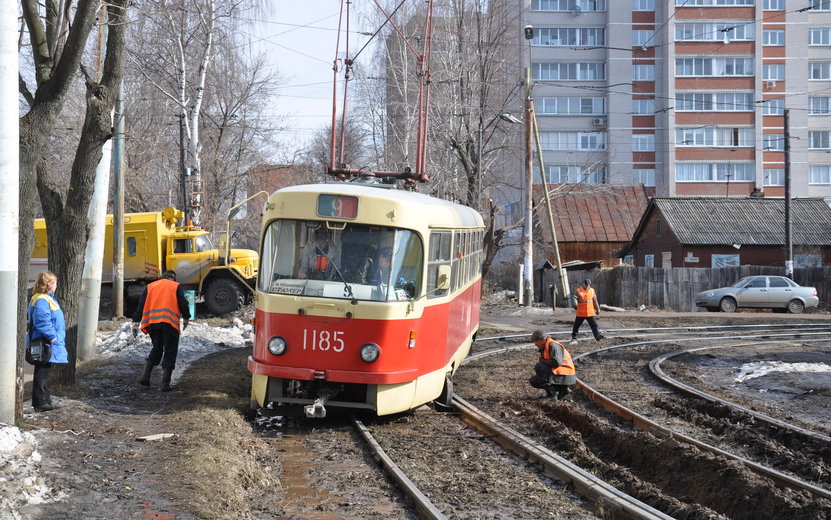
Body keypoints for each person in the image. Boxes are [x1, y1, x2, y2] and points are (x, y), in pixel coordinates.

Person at [132, 270, 190, 391]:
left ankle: (145, 377)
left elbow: (140, 305)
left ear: (162, 277)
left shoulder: (150, 286)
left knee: (157, 348)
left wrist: (136, 322)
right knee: (170, 350)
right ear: (173, 278)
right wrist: (186, 317)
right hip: (169, 324)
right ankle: (164, 384)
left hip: (153, 323)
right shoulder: (176, 286)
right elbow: (183, 303)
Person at [27, 271, 68, 412]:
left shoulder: (43, 298)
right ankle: (41, 403)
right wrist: (52, 337)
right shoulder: (42, 300)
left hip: (46, 341)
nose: (56, 285)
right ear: (49, 284)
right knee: (42, 372)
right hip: (45, 342)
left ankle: (43, 400)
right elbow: (42, 321)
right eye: (54, 283)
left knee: (43, 371)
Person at [528, 330, 576, 400]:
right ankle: (563, 389)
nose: (535, 344)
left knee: (539, 367)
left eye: (536, 341)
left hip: (565, 374)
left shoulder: (553, 346)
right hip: (560, 374)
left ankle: (552, 395)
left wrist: (543, 361)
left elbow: (556, 363)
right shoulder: (545, 347)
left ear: (543, 340)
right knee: (534, 381)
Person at [571, 278, 604, 343]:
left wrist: (597, 309)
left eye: (588, 285)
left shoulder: (592, 291)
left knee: (594, 325)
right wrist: (575, 303)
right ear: (583, 284)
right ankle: (574, 337)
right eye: (586, 285)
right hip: (581, 313)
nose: (587, 286)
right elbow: (574, 297)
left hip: (590, 312)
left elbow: (595, 301)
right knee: (576, 326)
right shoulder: (579, 290)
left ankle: (597, 336)